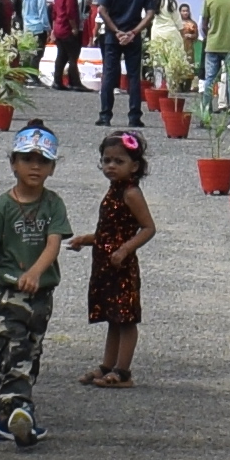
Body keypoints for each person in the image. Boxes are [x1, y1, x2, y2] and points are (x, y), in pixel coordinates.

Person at [0, 127, 73, 446]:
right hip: (8, 296)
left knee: (31, 354)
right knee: (15, 351)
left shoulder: (53, 204)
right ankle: (19, 411)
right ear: (13, 163)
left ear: (53, 167)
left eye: (43, 160)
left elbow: (54, 244)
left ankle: (4, 418)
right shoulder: (2, 207)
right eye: (27, 159)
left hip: (41, 297)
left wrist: (38, 272)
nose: (35, 166)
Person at [82, 128, 158, 388]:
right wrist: (88, 239)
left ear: (134, 166)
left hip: (122, 265)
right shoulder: (113, 190)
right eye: (107, 160)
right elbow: (109, 230)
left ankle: (123, 371)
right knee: (112, 317)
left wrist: (125, 249)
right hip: (105, 263)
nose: (111, 166)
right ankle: (107, 364)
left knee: (125, 318)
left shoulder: (131, 193)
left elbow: (148, 227)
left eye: (119, 161)